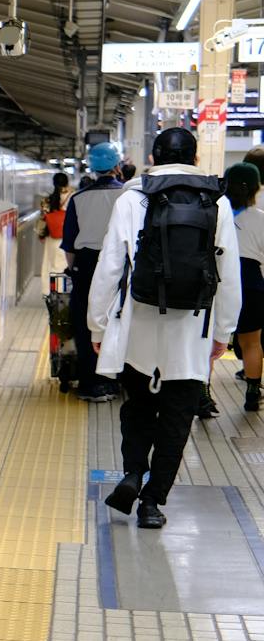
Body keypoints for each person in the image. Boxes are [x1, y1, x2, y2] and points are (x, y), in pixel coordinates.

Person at [91, 127, 241, 528]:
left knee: (139, 407)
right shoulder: (217, 202)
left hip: (139, 327)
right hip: (192, 330)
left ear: (153, 156)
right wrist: (224, 332)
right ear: (195, 157)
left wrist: (98, 326)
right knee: (177, 419)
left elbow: (109, 268)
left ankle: (134, 471)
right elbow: (228, 273)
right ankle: (152, 503)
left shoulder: (133, 198)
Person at [63, 143, 126, 400]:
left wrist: (73, 269)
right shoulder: (128, 196)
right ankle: (115, 381)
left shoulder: (78, 199)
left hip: (87, 264)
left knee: (85, 321)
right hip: (122, 262)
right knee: (119, 319)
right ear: (117, 166)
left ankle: (90, 383)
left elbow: (69, 244)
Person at [232, 162, 264, 412]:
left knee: (211, 343)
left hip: (220, 281)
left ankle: (203, 395)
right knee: (251, 342)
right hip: (251, 281)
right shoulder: (260, 219)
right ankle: (253, 394)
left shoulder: (214, 214)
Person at [41, 171, 72, 275]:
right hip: (68, 236)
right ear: (67, 183)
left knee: (50, 264)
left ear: (54, 183)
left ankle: (49, 289)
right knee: (65, 265)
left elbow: (43, 218)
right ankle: (63, 289)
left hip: (52, 236)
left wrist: (41, 235)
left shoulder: (47, 200)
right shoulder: (73, 196)